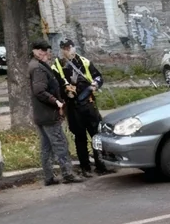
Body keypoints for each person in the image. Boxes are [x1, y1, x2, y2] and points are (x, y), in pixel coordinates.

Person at [53, 39, 116, 178]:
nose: (67, 50)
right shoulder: (57, 65)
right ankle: (85, 167)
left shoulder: (84, 61)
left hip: (89, 104)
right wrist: (66, 91)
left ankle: (101, 165)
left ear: (74, 47)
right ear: (61, 49)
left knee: (96, 135)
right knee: (80, 137)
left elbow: (98, 77)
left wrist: (94, 85)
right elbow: (55, 87)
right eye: (64, 48)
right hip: (73, 107)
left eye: (69, 47)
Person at [28, 40, 82, 184]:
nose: (46, 54)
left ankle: (49, 177)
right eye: (44, 51)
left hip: (41, 115)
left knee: (47, 146)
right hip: (49, 114)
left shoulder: (35, 65)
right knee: (60, 144)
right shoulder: (38, 68)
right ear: (37, 51)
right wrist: (56, 101)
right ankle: (68, 174)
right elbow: (39, 91)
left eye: (47, 51)